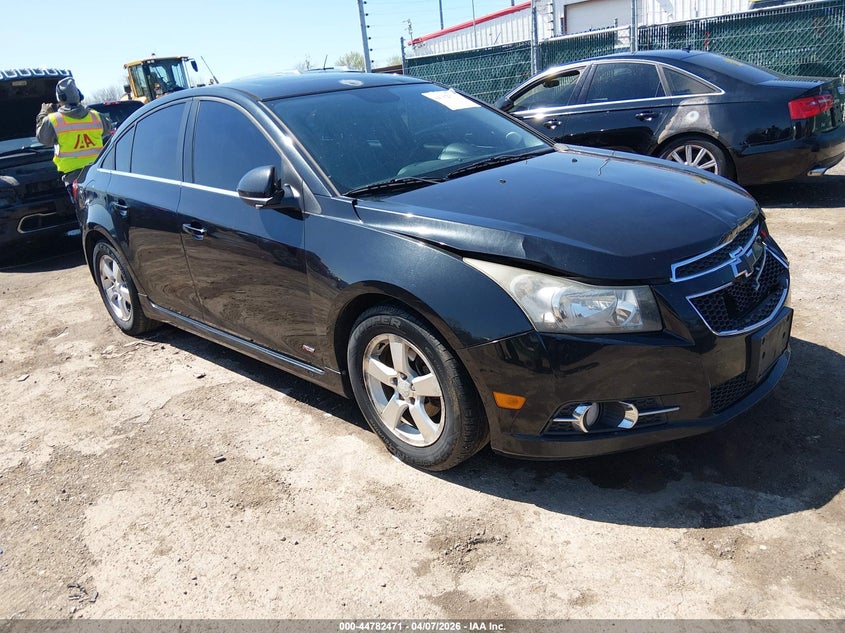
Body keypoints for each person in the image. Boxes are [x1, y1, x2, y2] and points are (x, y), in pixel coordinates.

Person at [35, 77, 111, 200]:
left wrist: (43, 114)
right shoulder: (96, 116)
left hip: (73, 178)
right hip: (98, 173)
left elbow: (43, 139)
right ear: (79, 95)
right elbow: (107, 130)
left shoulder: (53, 120)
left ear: (60, 97)